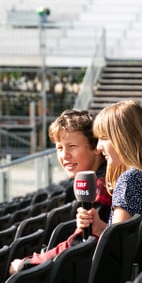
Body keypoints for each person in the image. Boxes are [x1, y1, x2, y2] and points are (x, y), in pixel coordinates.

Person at [9, 109, 111, 273]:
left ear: (95, 147)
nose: (64, 156)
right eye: (59, 148)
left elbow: (80, 244)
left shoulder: (100, 186)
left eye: (72, 146)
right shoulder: (99, 178)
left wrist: (28, 263)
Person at [77, 100, 142, 239]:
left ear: (124, 139)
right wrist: (98, 226)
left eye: (104, 138)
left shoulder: (130, 181)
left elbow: (117, 245)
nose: (98, 148)